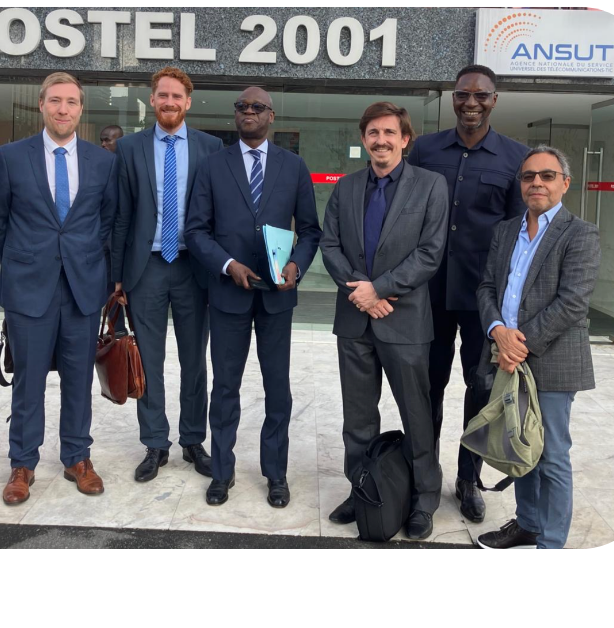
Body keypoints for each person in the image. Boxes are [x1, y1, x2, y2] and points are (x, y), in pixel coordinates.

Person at [185, 87, 322, 508]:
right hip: (229, 295)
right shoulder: (213, 165)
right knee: (225, 387)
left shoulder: (293, 166)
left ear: (271, 116)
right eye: (242, 107)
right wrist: (228, 265)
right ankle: (221, 472)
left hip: (277, 298)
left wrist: (296, 265)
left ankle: (275, 473)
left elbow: (310, 230)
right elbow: (196, 231)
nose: (249, 112)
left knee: (277, 388)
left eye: (257, 107)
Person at [320, 102, 449, 539]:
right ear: (364, 139)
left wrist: (379, 288)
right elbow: (330, 245)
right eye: (373, 132)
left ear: (405, 139)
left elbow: (430, 252)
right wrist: (361, 293)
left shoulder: (430, 185)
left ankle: (424, 499)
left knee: (416, 415)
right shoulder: (346, 187)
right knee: (357, 419)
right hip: (354, 319)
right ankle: (363, 491)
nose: (381, 140)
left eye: (390, 132)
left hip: (404, 320)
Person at [407, 64, 528, 522]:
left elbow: (517, 236)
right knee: (427, 388)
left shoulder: (515, 157)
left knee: (480, 388)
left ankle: (467, 479)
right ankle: (424, 476)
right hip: (429, 293)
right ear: (453, 98)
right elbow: (407, 213)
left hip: (484, 299)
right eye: (462, 95)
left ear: (494, 100)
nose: (470, 103)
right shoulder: (425, 149)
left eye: (480, 95)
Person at [0, 72, 117, 504]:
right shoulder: (11, 157)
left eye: (72, 102)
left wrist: (92, 266)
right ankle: (22, 463)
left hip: (82, 287)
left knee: (79, 378)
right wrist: (25, 262)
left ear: (81, 109)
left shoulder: (103, 161)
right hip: (29, 287)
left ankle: (77, 458)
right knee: (28, 380)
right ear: (41, 104)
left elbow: (107, 222)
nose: (64, 109)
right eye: (56, 101)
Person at [475, 146, 600, 549]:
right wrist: (498, 330)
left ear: (565, 183)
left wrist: (518, 344)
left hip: (551, 359)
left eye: (547, 176)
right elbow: (487, 287)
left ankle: (551, 542)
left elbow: (572, 302)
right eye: (529, 176)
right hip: (507, 356)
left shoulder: (580, 233)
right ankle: (527, 525)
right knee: (519, 444)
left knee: (552, 455)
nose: (537, 183)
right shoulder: (505, 231)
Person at [111, 67, 223, 482]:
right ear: (152, 100)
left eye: (177, 96)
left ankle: (193, 439)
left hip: (194, 267)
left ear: (188, 102)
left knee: (195, 360)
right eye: (163, 95)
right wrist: (117, 276)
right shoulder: (129, 147)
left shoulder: (211, 147)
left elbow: (219, 213)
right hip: (147, 267)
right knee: (148, 360)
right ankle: (155, 443)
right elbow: (121, 215)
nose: (170, 102)